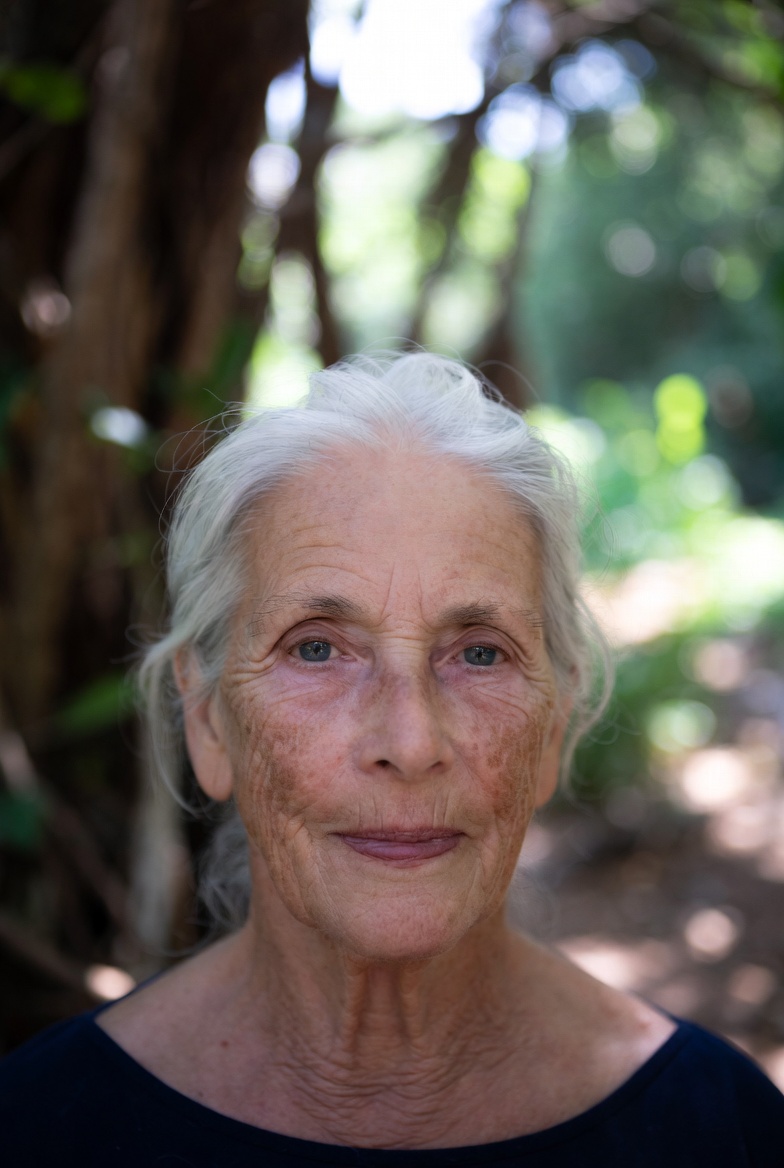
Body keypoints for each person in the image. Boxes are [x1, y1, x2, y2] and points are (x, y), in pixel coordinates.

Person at [1, 352, 783, 1166]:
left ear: (553, 728)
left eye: (479, 654)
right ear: (208, 722)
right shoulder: (38, 1128)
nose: (409, 745)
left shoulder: (722, 1128)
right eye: (316, 649)